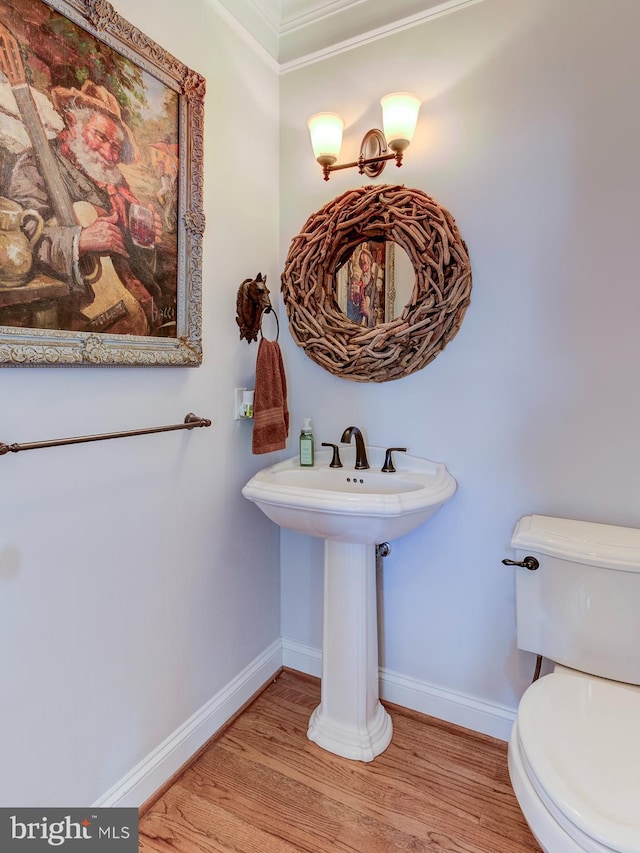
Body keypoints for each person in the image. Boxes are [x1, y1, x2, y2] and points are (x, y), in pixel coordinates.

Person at [8, 80, 162, 334]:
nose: (109, 153)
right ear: (72, 123)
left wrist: (144, 238)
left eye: (115, 147)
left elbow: (128, 257)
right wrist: (78, 241)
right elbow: (20, 238)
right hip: (74, 311)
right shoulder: (34, 164)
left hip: (129, 303)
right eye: (100, 137)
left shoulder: (115, 183)